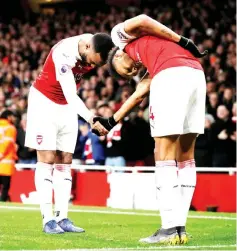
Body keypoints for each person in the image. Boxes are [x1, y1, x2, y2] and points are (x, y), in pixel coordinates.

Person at [93, 14, 207, 244]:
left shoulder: (120, 37)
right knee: (185, 155)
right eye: (131, 74)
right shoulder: (149, 59)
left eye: (127, 71)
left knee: (163, 152)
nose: (133, 70)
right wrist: (111, 121)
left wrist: (182, 39)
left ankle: (168, 228)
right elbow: (138, 95)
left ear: (115, 59)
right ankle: (179, 229)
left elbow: (143, 19)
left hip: (172, 75)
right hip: (195, 74)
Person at [25, 33, 114, 234]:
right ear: (89, 49)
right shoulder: (64, 53)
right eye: (94, 61)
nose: (93, 66)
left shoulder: (97, 44)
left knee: (65, 159)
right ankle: (48, 219)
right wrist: (92, 119)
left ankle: (63, 217)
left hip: (65, 105)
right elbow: (71, 95)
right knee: (47, 158)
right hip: (45, 102)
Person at [0, 110, 18, 201]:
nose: (14, 118)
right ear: (8, 117)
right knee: (5, 186)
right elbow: (7, 143)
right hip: (5, 163)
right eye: (13, 116)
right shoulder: (10, 128)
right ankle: (2, 202)